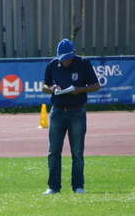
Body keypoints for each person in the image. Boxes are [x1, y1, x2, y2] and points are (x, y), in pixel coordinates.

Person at [41, 38, 100, 194]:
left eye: (67, 58)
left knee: (77, 152)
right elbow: (44, 86)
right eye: (62, 58)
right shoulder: (53, 65)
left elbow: (96, 86)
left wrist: (79, 90)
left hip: (77, 112)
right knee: (53, 151)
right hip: (57, 112)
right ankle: (53, 187)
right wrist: (52, 88)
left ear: (74, 53)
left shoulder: (84, 63)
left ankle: (78, 186)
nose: (65, 61)